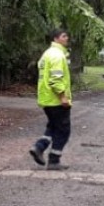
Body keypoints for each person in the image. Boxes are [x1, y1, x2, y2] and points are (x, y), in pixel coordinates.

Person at [29, 27, 72, 170]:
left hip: (46, 99)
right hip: (56, 100)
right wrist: (63, 96)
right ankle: (54, 160)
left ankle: (39, 148)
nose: (67, 38)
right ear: (56, 38)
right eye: (64, 36)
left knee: (53, 126)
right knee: (63, 130)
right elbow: (55, 79)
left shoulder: (47, 54)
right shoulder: (57, 56)